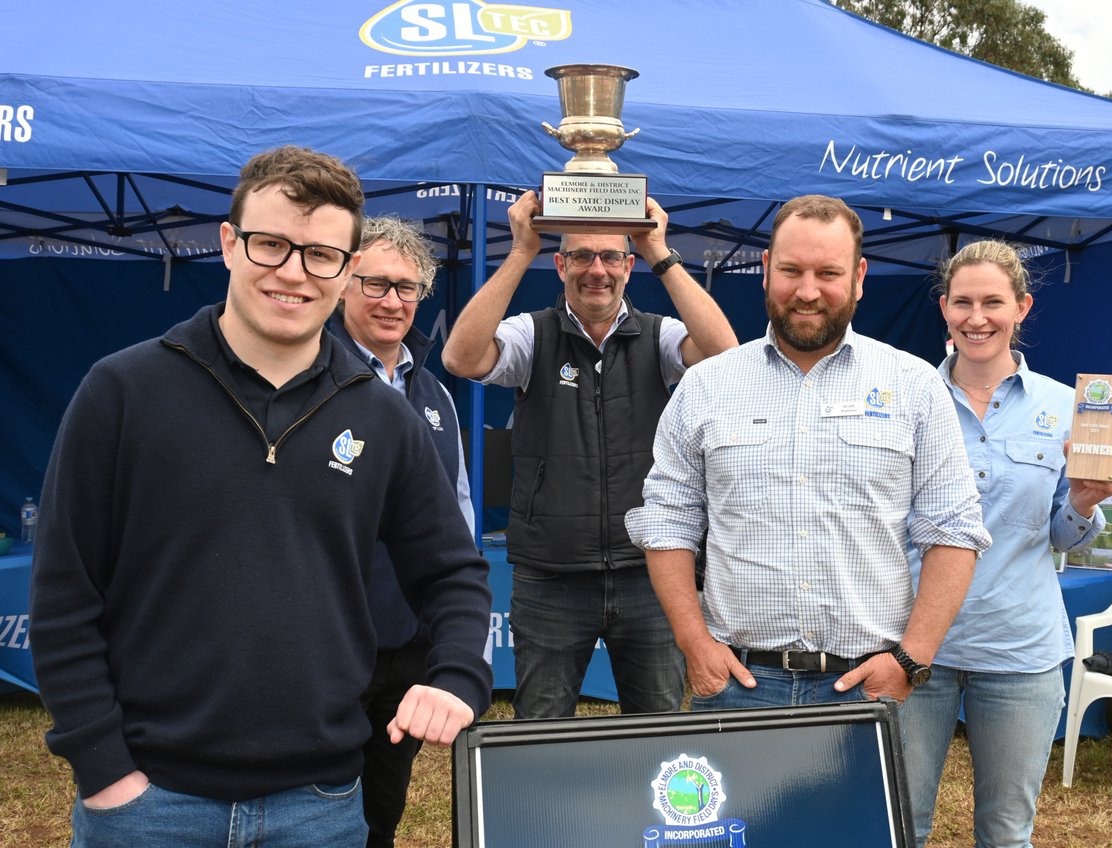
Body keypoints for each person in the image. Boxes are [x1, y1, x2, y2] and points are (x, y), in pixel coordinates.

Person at [29, 146, 492, 847]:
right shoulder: (122, 393)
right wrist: (103, 770)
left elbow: (453, 572)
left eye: (319, 255)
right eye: (271, 244)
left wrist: (458, 677)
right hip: (149, 805)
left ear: (342, 271)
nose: (293, 273)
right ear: (228, 243)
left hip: (322, 804)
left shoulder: (383, 416)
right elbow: (64, 594)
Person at [625, 194, 991, 712]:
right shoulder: (707, 386)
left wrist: (910, 659)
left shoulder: (913, 386)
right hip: (739, 684)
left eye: (828, 273)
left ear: (859, 276)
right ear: (766, 269)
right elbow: (667, 522)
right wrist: (693, 643)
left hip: (866, 685)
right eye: (792, 270)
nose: (808, 291)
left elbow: (954, 528)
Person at [441, 190, 738, 719]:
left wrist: (660, 253)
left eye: (609, 257)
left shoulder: (656, 335)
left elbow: (725, 355)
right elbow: (460, 357)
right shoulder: (533, 334)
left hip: (649, 574)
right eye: (581, 256)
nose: (595, 270)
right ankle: (550, 809)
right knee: (542, 736)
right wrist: (517, 253)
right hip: (551, 577)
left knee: (657, 732)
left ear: (628, 265)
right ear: (559, 264)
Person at [899, 240, 1112, 848]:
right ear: (944, 309)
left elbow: (1059, 533)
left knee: (1006, 833)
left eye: (993, 302)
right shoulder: (903, 401)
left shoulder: (1068, 408)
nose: (977, 317)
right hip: (913, 648)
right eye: (963, 302)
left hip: (1019, 649)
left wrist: (1086, 500)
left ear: (1022, 307)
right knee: (901, 825)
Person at [326, 215, 474, 848]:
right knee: (316, 808)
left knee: (381, 808)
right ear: (340, 287)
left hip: (406, 648)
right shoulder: (310, 380)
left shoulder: (435, 395)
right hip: (328, 644)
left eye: (407, 288)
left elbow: (457, 516)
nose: (392, 302)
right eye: (376, 284)